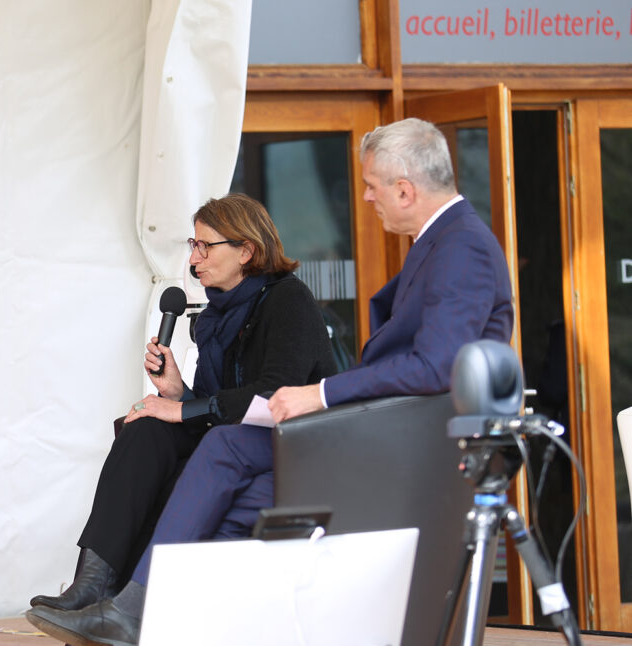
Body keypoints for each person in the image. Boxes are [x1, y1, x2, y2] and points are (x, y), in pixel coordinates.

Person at [28, 118, 514, 646]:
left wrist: (322, 393)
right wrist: (178, 396)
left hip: (381, 436)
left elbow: (435, 366)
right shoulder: (439, 242)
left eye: (373, 185)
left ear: (404, 188)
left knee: (225, 448)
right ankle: (120, 597)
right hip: (362, 429)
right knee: (174, 447)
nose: (367, 197)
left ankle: (141, 609)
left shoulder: (456, 246)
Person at [26, 194, 336, 629]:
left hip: (290, 436)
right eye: (193, 245)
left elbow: (272, 393)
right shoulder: (216, 313)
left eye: (205, 246)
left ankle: (133, 605)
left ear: (246, 250)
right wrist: (177, 391)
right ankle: (93, 582)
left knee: (167, 420)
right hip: (237, 432)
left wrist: (185, 409)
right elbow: (216, 400)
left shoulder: (288, 301)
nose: (194, 258)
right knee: (145, 426)